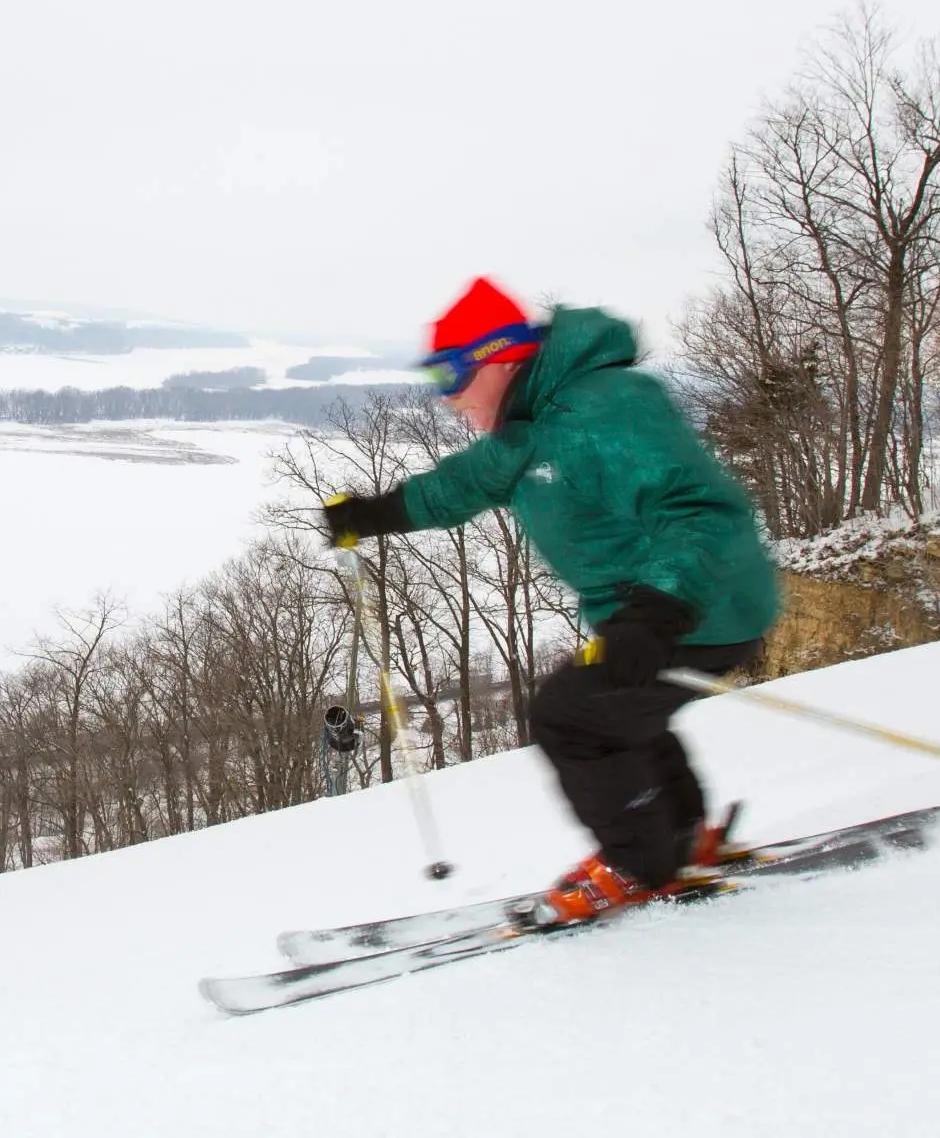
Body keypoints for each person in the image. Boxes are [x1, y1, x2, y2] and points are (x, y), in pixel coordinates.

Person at [323, 277, 781, 926]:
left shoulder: (605, 408)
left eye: (453, 373)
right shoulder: (528, 431)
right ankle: (678, 843)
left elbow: (702, 512)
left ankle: (643, 864)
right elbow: (458, 486)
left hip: (702, 603)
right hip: (657, 613)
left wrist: (659, 612)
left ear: (502, 355)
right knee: (621, 716)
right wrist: (374, 515)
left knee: (570, 718)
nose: (447, 396)